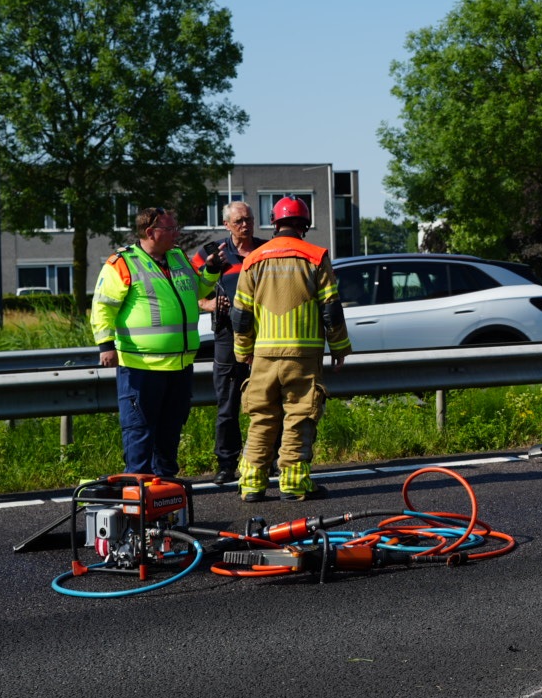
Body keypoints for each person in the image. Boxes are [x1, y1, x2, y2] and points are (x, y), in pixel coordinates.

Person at [232, 196, 351, 503]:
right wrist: (339, 346)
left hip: (263, 356)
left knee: (262, 418)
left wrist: (243, 351)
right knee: (299, 416)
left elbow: (241, 314)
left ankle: (251, 485)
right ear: (305, 225)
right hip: (303, 355)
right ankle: (294, 484)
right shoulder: (316, 257)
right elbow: (331, 308)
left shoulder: (253, 259)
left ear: (275, 224)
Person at [91, 207, 224, 477]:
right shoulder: (122, 263)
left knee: (170, 431)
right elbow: (103, 306)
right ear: (151, 232)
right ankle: (138, 488)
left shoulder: (178, 257)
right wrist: (106, 345)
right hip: (142, 365)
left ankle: (164, 491)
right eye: (170, 228)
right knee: (139, 430)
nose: (177, 233)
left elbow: (198, 290)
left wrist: (211, 270)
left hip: (179, 364)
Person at [191, 200, 266, 485]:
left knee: (268, 400)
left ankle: (268, 459)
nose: (245, 225)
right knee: (228, 403)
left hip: (264, 335)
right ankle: (226, 464)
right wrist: (208, 304)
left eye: (249, 220)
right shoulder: (213, 253)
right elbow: (190, 288)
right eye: (239, 221)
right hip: (227, 334)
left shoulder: (266, 250)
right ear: (226, 225)